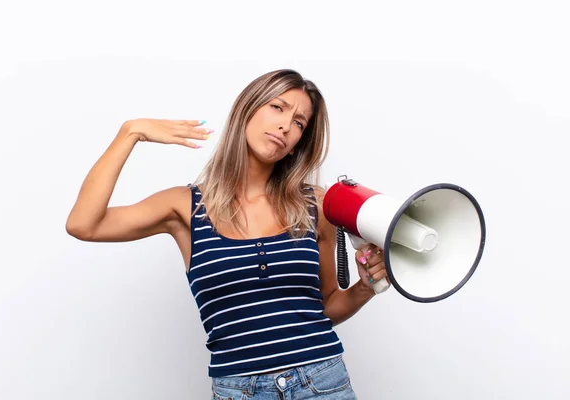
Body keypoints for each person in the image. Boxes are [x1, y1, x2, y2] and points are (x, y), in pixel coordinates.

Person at [66, 69, 387, 399]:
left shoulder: (315, 204)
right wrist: (129, 133)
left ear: (296, 145)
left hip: (321, 382)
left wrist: (365, 287)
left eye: (299, 123)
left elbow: (327, 306)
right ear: (247, 110)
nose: (285, 126)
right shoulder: (184, 206)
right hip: (239, 389)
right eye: (278, 107)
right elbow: (84, 224)